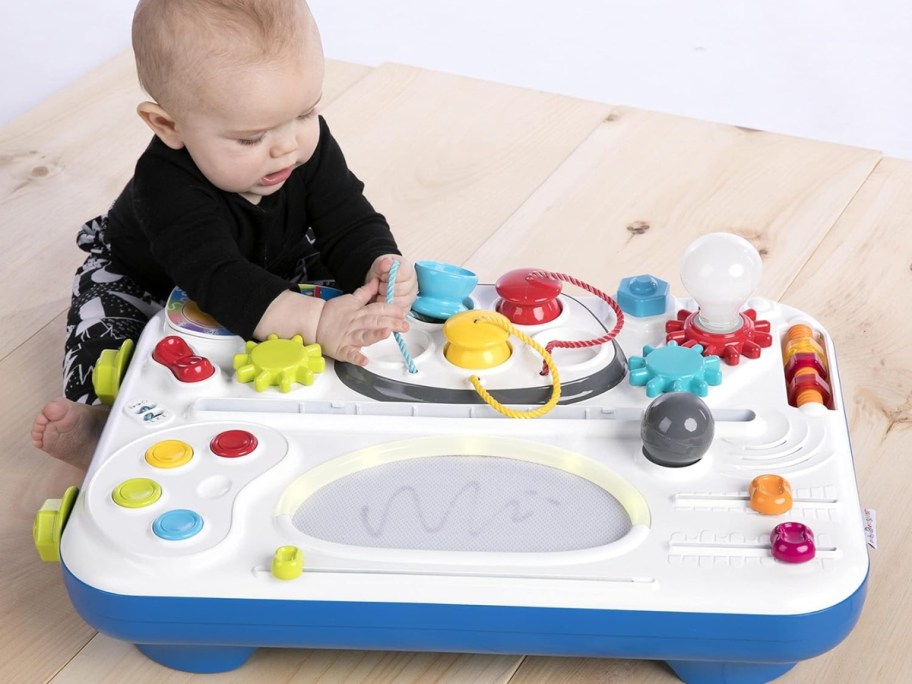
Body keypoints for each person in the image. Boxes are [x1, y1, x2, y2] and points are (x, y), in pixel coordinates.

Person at [31, 0, 417, 470]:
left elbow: (347, 215)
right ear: (168, 125)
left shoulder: (298, 144)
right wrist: (314, 323)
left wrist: (377, 262)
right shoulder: (164, 184)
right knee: (104, 327)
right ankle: (105, 425)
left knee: (333, 283)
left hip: (276, 262)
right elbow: (216, 275)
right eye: (251, 138)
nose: (287, 146)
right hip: (156, 278)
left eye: (305, 112)